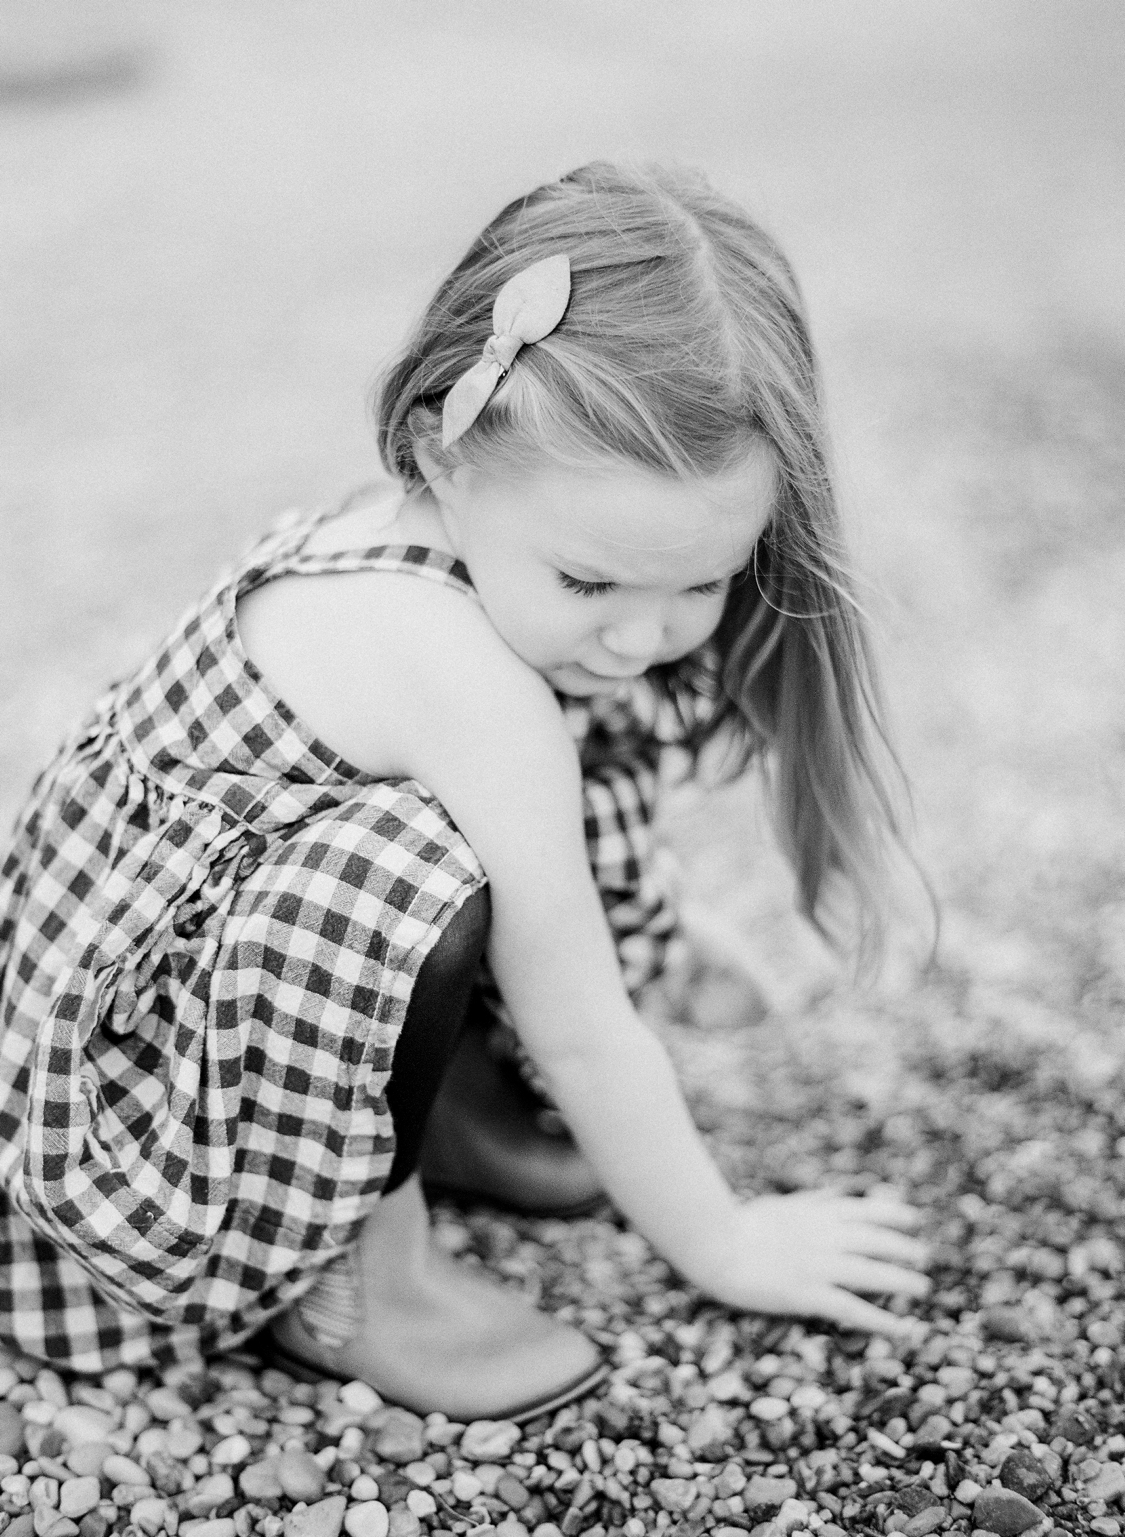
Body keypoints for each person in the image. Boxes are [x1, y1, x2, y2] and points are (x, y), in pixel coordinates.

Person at [0, 161, 929, 1421]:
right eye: (592, 584)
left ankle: (451, 1119)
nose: (642, 637)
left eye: (701, 585)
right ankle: (346, 1278)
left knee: (476, 818)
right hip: (123, 1074)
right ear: (445, 450)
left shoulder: (481, 545)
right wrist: (721, 1240)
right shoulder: (455, 669)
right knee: (405, 873)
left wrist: (662, 926)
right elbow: (582, 1020)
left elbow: (574, 837)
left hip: (198, 973)